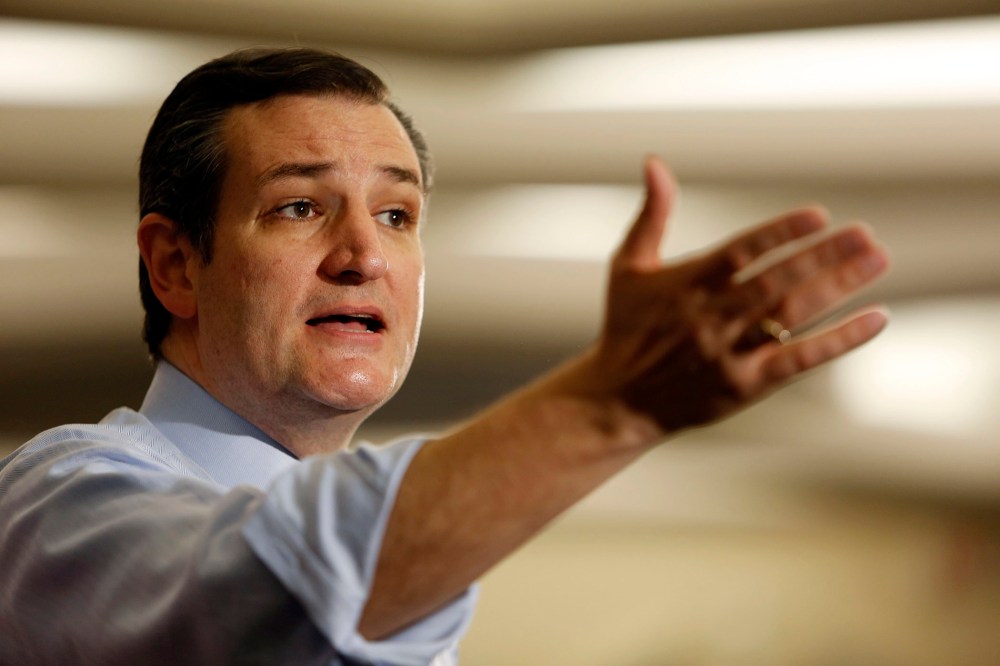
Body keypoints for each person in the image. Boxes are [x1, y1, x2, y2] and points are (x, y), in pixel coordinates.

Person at [0, 47, 890, 665]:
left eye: (396, 216)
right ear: (174, 263)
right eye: (300, 207)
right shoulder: (58, 503)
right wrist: (610, 406)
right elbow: (262, 599)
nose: (363, 254)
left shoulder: (413, 557)